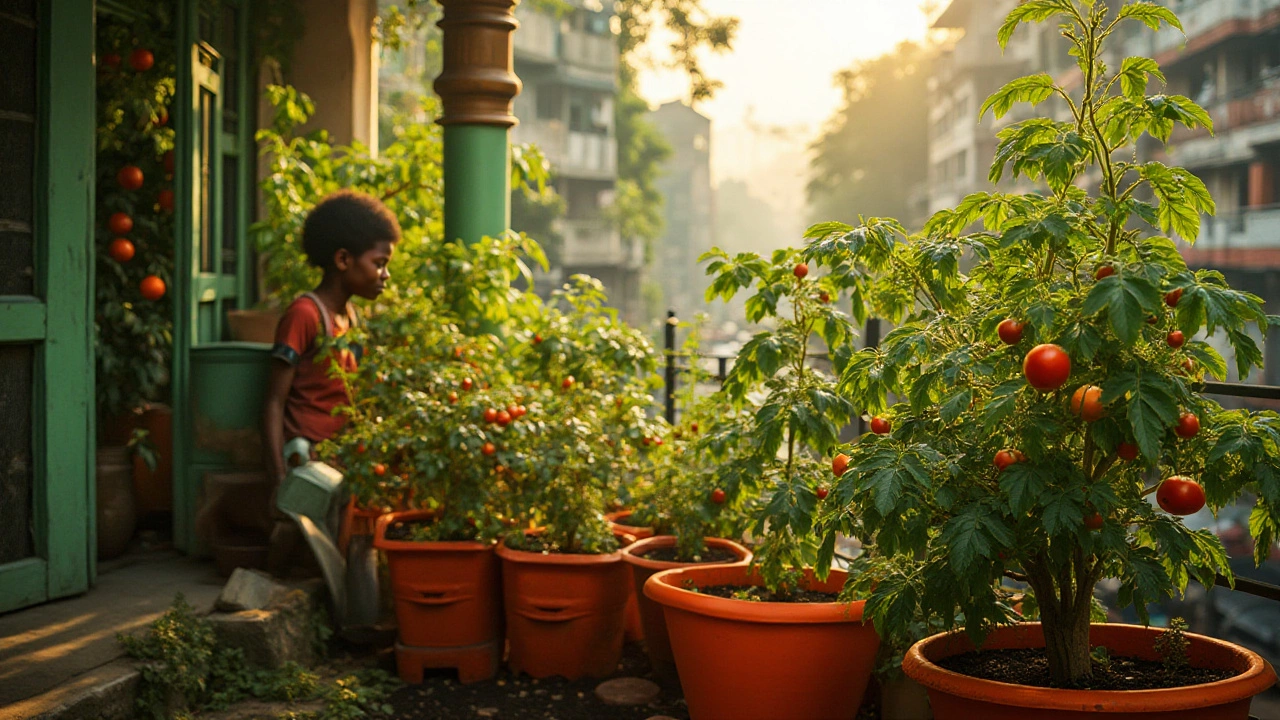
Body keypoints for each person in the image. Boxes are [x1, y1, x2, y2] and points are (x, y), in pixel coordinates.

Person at [262, 190, 400, 576]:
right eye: (379, 263)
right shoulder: (305, 314)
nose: (385, 274)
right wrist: (279, 481)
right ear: (343, 259)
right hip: (308, 464)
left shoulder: (349, 317)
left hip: (344, 461)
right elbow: (273, 401)